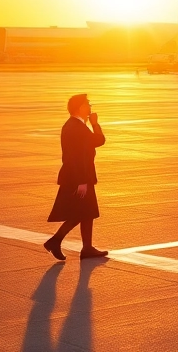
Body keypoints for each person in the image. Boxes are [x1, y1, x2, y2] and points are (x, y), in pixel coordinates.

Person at [44, 94, 108, 260]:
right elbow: (78, 154)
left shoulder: (77, 125)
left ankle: (86, 247)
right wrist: (82, 181)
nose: (90, 106)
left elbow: (93, 143)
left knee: (86, 212)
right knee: (80, 213)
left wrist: (91, 123)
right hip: (77, 177)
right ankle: (56, 241)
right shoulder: (75, 127)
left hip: (79, 175)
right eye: (87, 103)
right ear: (80, 107)